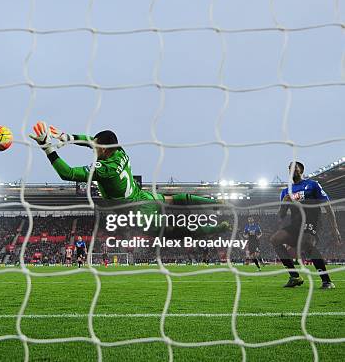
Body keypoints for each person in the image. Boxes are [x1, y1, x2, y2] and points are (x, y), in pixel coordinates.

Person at [29, 122, 230, 238]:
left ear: (105, 149)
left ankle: (216, 229)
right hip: (142, 195)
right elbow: (92, 139)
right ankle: (217, 203)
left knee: (173, 230)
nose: (94, 148)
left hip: (136, 211)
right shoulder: (120, 151)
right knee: (174, 199)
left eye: (97, 147)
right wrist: (68, 137)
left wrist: (48, 147)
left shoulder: (105, 169)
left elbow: (68, 174)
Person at [269, 161, 341, 289]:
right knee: (275, 239)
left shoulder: (312, 185)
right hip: (295, 224)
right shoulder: (286, 191)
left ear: (301, 170)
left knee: (307, 243)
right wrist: (284, 203)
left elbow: (327, 206)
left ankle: (327, 281)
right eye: (289, 169)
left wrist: (334, 228)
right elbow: (281, 215)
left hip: (312, 221)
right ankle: (294, 276)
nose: (292, 170)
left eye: (294, 168)